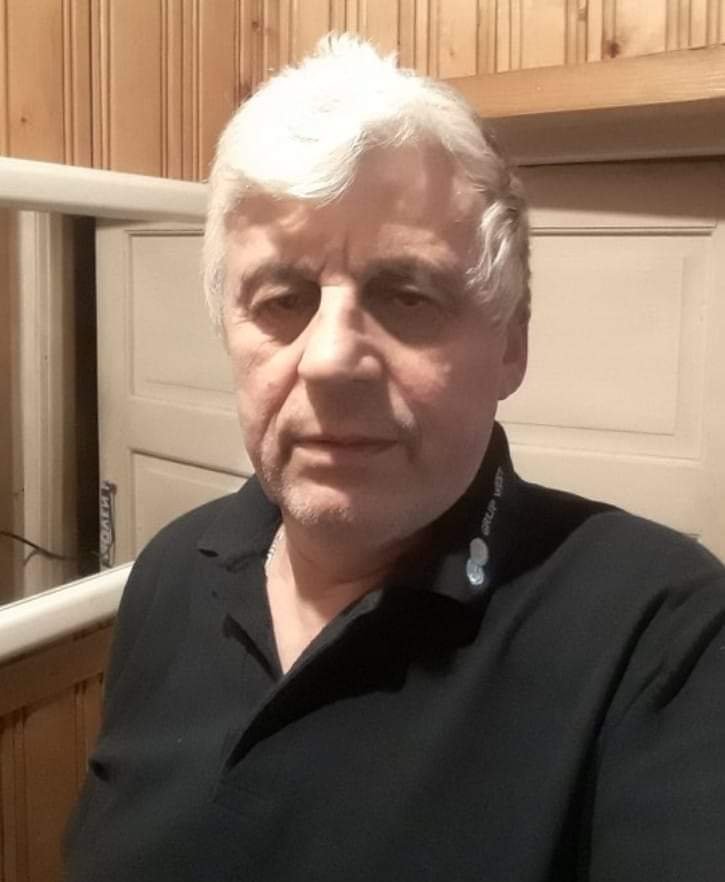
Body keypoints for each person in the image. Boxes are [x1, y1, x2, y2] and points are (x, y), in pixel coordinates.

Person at [65, 35, 725, 882]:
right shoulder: (169, 572)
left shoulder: (666, 635)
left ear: (510, 347)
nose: (330, 360)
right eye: (281, 300)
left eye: (406, 295)